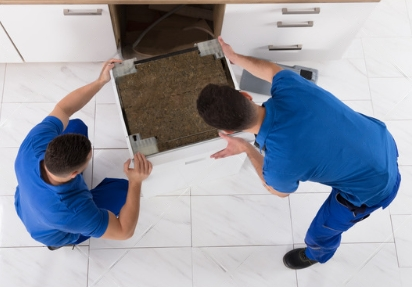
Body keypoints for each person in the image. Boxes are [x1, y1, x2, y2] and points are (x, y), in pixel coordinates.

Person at [196, 37, 401, 270]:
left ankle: (317, 254)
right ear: (246, 95)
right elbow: (272, 70)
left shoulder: (279, 165)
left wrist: (245, 148)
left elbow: (279, 191)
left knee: (320, 232)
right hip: (381, 139)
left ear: (229, 131)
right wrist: (235, 57)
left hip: (374, 188)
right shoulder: (290, 87)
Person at [14, 59, 152, 250]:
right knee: (124, 190)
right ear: (74, 174)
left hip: (27, 201)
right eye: (88, 159)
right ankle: (60, 242)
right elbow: (124, 231)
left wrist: (100, 81)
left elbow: (63, 108)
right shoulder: (74, 211)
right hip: (52, 229)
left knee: (76, 125)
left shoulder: (32, 146)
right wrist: (136, 181)